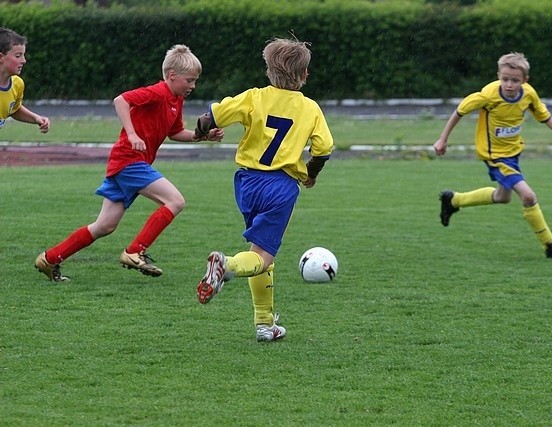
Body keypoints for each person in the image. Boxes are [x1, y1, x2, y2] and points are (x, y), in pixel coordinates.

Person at [35, 44, 223, 282]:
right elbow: (121, 100)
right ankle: (135, 251)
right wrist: (132, 134)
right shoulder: (157, 92)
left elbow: (175, 133)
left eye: (195, 81)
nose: (193, 86)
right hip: (129, 161)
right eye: (190, 80)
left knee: (104, 226)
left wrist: (205, 137)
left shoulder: (175, 100)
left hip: (127, 164)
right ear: (172, 76)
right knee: (175, 200)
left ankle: (49, 258)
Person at [194, 36, 334, 342]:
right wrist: (311, 174)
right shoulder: (310, 108)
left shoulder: (254, 97)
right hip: (280, 186)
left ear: (269, 71)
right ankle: (225, 265)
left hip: (246, 183)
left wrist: (202, 132)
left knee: (258, 251)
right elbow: (323, 149)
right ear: (304, 75)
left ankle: (265, 324)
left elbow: (209, 118)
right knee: (263, 257)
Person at [433, 52, 552, 259]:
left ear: (525, 80)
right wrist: (443, 139)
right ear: (498, 75)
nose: (509, 84)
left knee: (502, 197)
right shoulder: (488, 95)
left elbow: (544, 116)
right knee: (528, 196)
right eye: (505, 79)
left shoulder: (528, 94)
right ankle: (550, 245)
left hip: (513, 153)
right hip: (494, 155)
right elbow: (459, 111)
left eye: (515, 80)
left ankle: (454, 201)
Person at [0, 27, 50, 133]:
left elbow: (14, 109)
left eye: (23, 55)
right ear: (1, 58)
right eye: (18, 56)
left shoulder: (17, 84)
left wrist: (36, 118)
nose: (24, 61)